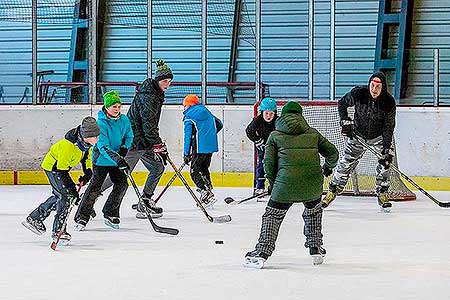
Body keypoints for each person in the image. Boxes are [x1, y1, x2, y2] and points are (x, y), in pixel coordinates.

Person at [244, 101, 338, 268]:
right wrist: (327, 168)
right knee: (313, 212)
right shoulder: (313, 134)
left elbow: (268, 163)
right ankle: (315, 248)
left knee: (272, 216)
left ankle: (262, 252)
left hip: (284, 185)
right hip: (312, 184)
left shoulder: (275, 135)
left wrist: (272, 183)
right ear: (300, 115)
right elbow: (333, 153)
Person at [100, 59, 173, 219]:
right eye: (165, 81)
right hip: (134, 141)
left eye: (169, 81)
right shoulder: (150, 97)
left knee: (157, 167)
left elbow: (149, 125)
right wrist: (158, 144)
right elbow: (148, 124)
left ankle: (145, 202)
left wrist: (156, 144)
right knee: (120, 174)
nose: (167, 84)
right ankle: (91, 194)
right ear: (157, 80)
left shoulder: (154, 94)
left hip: (143, 141)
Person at [321, 71, 396, 212]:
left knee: (386, 162)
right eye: (372, 86)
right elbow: (342, 103)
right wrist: (345, 121)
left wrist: (386, 150)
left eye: (378, 87)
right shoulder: (359, 93)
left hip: (379, 136)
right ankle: (332, 191)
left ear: (383, 88)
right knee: (345, 163)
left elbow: (388, 128)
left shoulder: (388, 102)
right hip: (358, 135)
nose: (374, 90)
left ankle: (382, 193)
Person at [21, 117, 100, 244]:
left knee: (61, 195)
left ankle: (34, 218)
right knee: (66, 196)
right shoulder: (68, 146)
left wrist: (88, 173)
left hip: (61, 169)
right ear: (86, 135)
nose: (97, 139)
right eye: (95, 137)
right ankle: (58, 231)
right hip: (54, 168)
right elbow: (61, 170)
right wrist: (73, 190)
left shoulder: (86, 144)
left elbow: (86, 158)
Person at [74, 91, 133, 230]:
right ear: (106, 108)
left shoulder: (124, 120)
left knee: (122, 184)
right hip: (101, 160)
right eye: (114, 107)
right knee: (95, 187)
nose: (117, 109)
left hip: (117, 159)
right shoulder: (101, 124)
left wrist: (125, 148)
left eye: (119, 106)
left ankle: (110, 213)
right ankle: (82, 217)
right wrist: (119, 159)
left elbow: (129, 136)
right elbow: (103, 147)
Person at [182, 94, 223, 207]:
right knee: (204, 168)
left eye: (184, 106)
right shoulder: (206, 111)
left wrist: (186, 153)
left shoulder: (189, 115)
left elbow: (188, 136)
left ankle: (205, 193)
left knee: (194, 170)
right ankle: (209, 191)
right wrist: (208, 134)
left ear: (188, 105)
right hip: (210, 145)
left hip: (200, 146)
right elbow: (219, 124)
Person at [245, 97, 277, 196]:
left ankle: (274, 187)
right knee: (261, 166)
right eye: (266, 113)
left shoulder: (278, 121)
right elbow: (249, 131)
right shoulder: (257, 120)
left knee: (276, 166)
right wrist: (258, 141)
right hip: (262, 147)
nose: (268, 116)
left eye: (271, 113)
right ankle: (259, 187)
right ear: (262, 112)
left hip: (275, 148)